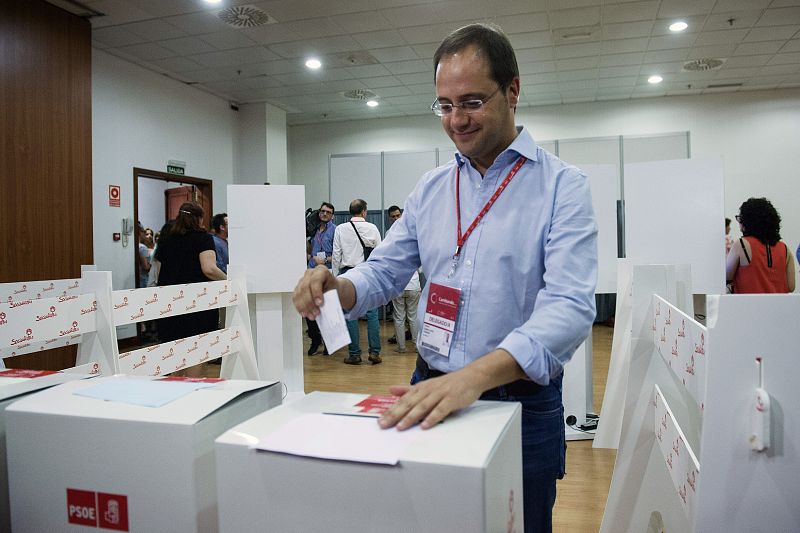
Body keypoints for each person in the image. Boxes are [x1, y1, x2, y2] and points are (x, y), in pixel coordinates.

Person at [293, 23, 597, 532]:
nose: (456, 120)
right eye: (444, 105)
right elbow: (386, 270)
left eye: (472, 101)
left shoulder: (562, 187)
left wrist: (471, 380)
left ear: (513, 90)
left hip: (517, 404)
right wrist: (338, 286)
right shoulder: (433, 188)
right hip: (430, 388)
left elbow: (569, 308)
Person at [155, 202, 226, 374]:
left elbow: (158, 273)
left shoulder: (165, 240)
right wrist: (228, 280)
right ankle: (195, 392)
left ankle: (176, 393)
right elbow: (208, 268)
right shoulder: (203, 238)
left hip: (169, 303)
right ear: (199, 219)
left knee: (174, 353)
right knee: (197, 352)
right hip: (197, 304)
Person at [332, 199, 383, 365]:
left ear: (350, 212)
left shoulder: (340, 229)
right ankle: (374, 353)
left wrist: (334, 277)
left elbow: (336, 254)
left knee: (350, 315)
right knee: (372, 314)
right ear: (364, 212)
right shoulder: (372, 228)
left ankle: (354, 354)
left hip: (348, 273)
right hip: (368, 273)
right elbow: (379, 253)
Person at [726, 197, 795, 293]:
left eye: (740, 218)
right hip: (779, 306)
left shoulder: (741, 245)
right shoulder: (785, 249)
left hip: (747, 306)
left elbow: (725, 277)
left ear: (748, 221)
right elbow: (791, 287)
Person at [387, 205, 420, 353]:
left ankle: (402, 348)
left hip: (398, 284)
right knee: (412, 317)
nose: (395, 218)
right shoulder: (413, 232)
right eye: (393, 216)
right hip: (412, 283)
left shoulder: (389, 235)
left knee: (400, 317)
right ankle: (416, 347)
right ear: (389, 218)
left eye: (397, 215)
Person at [306, 202, 336, 356]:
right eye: (322, 211)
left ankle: (328, 342)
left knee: (327, 310)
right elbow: (309, 247)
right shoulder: (313, 228)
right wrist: (310, 255)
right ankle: (315, 340)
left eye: (328, 212)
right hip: (311, 271)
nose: (324, 214)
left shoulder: (335, 230)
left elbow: (337, 254)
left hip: (327, 271)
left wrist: (325, 260)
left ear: (332, 215)